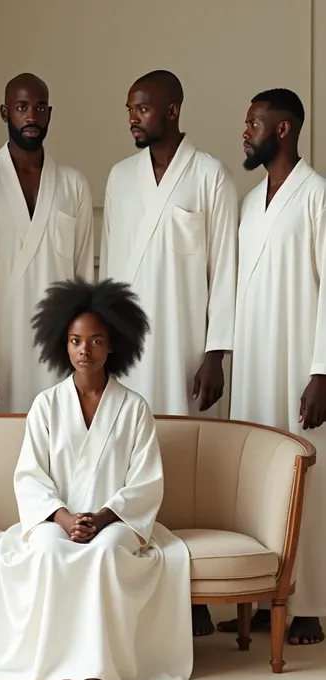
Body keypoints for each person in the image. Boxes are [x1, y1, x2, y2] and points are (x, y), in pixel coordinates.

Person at [0, 279, 193, 680]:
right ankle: (61, 663)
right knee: (48, 548)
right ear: (63, 345)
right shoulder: (46, 405)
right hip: (56, 518)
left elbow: (145, 481)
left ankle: (103, 666)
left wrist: (100, 519)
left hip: (117, 520)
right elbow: (30, 475)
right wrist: (65, 519)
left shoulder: (134, 408)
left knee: (103, 552)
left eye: (96, 340)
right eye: (75, 340)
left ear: (113, 345)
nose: (85, 350)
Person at [99, 69, 238, 637]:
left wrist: (216, 352)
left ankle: (193, 596)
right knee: (127, 463)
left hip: (183, 348)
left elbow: (225, 269)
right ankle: (133, 587)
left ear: (173, 110)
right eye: (129, 108)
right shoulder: (118, 177)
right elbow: (109, 267)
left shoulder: (211, 177)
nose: (132, 117)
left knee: (181, 465)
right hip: (128, 352)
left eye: (142, 108)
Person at [216, 89, 325, 646]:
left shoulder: (318, 195)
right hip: (255, 361)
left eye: (253, 123)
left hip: (298, 361)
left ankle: (307, 603)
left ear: (282, 130)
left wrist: (322, 371)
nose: (245, 131)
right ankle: (265, 595)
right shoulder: (249, 200)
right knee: (261, 478)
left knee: (305, 474)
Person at [0, 73, 94, 414]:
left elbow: (83, 280)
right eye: (21, 107)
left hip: (56, 346)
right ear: (5, 113)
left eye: (38, 108)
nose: (31, 117)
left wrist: (82, 349)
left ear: (49, 113)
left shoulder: (73, 185)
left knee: (58, 447)